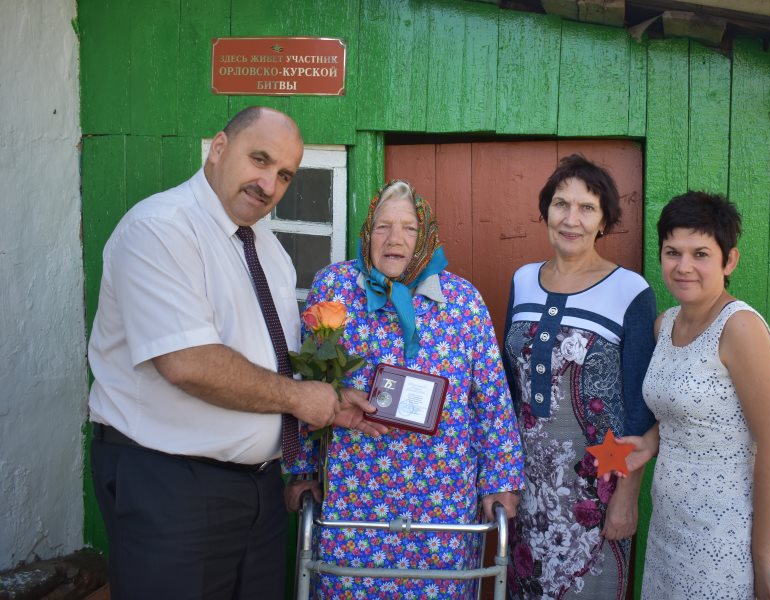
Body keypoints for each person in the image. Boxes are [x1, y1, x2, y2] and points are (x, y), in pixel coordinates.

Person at [88, 106, 380, 600]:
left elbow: (273, 361)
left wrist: (329, 399)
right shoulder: (160, 229)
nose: (269, 184)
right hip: (171, 486)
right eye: (259, 160)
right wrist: (296, 398)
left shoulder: (270, 251)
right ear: (219, 148)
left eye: (285, 174)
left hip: (260, 492)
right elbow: (188, 362)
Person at [285, 179, 524, 598]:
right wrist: (302, 470)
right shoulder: (335, 289)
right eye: (382, 227)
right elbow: (310, 382)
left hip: (442, 504)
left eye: (409, 228)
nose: (395, 239)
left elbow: (491, 401)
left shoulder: (462, 301)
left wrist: (501, 483)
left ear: (426, 235)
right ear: (366, 233)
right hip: (356, 498)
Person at [617, 192, 770, 599]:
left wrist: (763, 557)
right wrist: (648, 442)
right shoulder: (666, 323)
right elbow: (690, 411)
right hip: (668, 529)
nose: (683, 267)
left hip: (723, 537)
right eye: (672, 252)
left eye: (700, 253)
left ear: (728, 260)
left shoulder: (740, 329)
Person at [502, 154, 657, 598]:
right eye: (560, 204)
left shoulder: (630, 290)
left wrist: (627, 497)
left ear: (604, 219)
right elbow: (510, 390)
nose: (571, 219)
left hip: (597, 494)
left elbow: (640, 408)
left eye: (587, 207)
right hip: (527, 489)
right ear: (545, 211)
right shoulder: (524, 280)